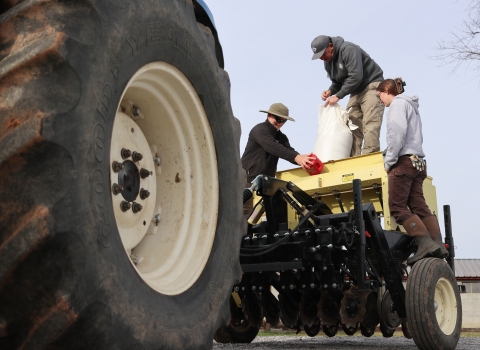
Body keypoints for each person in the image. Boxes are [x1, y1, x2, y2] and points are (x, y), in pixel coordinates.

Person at [377, 78, 448, 265]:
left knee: (397, 207)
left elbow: (397, 134)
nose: (380, 101)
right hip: (419, 162)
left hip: (403, 162)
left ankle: (424, 243)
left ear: (386, 90)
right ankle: (437, 243)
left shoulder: (397, 106)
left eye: (380, 96)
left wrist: (389, 161)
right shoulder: (411, 106)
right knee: (418, 204)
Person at [311, 35, 384, 156]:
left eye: (322, 54)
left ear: (330, 46)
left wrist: (338, 96)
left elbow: (356, 76)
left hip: (371, 85)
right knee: (351, 127)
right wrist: (330, 91)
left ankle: (369, 157)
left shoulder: (348, 49)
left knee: (370, 124)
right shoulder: (327, 62)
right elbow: (338, 81)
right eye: (319, 56)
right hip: (355, 91)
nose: (321, 58)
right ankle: (353, 160)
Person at [241, 103, 314, 218]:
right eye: (278, 119)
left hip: (265, 184)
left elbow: (288, 150)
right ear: (269, 115)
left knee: (270, 217)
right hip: (247, 180)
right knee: (245, 217)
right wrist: (297, 157)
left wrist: (304, 160)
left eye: (284, 121)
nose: (280, 123)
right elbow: (273, 147)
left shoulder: (282, 137)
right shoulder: (259, 130)